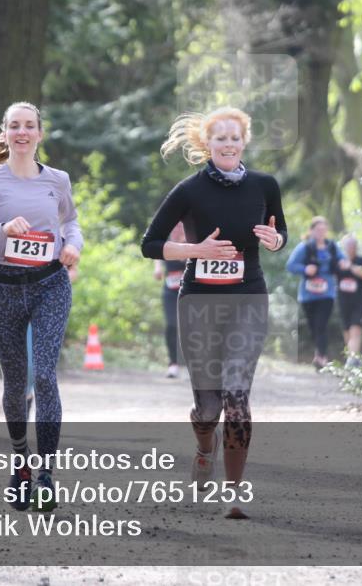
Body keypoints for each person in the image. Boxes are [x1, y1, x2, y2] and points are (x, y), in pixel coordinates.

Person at [141, 107, 287, 519]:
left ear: (245, 141)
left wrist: (274, 240)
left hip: (248, 298)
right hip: (200, 302)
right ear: (207, 143)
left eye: (234, 137)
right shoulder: (189, 190)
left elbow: (281, 232)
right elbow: (150, 244)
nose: (227, 143)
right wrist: (196, 251)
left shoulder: (264, 185)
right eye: (219, 138)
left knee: (237, 395)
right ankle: (205, 448)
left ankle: (235, 492)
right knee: (208, 408)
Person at [0, 101, 81, 513]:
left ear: (40, 134)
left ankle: (45, 473)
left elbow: (71, 222)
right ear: (5, 133)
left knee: (44, 375)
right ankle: (21, 461)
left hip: (49, 284)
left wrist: (73, 246)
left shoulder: (57, 180)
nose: (22, 133)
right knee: (15, 384)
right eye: (15, 126)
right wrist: (0, 231)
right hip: (3, 288)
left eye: (30, 126)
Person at [286, 216, 345, 369]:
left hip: (327, 293)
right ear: (311, 231)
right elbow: (291, 265)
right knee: (313, 326)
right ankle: (319, 353)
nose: (321, 232)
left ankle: (321, 357)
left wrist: (343, 263)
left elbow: (342, 259)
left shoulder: (332, 247)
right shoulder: (304, 247)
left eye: (323, 230)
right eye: (318, 230)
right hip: (308, 295)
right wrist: (305, 269)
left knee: (321, 324)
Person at [153, 222, 187, 378]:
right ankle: (173, 363)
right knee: (172, 325)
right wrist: (157, 268)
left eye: (181, 226)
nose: (177, 230)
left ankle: (191, 363)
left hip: (189, 292)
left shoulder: (192, 241)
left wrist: (185, 245)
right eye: (175, 226)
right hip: (170, 291)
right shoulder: (166, 242)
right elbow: (156, 253)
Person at [335, 234, 362, 365]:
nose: (351, 248)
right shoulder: (338, 262)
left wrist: (350, 266)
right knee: (347, 333)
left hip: (360, 302)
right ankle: (354, 359)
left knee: (356, 331)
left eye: (353, 245)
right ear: (343, 247)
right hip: (343, 303)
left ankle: (352, 361)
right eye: (348, 245)